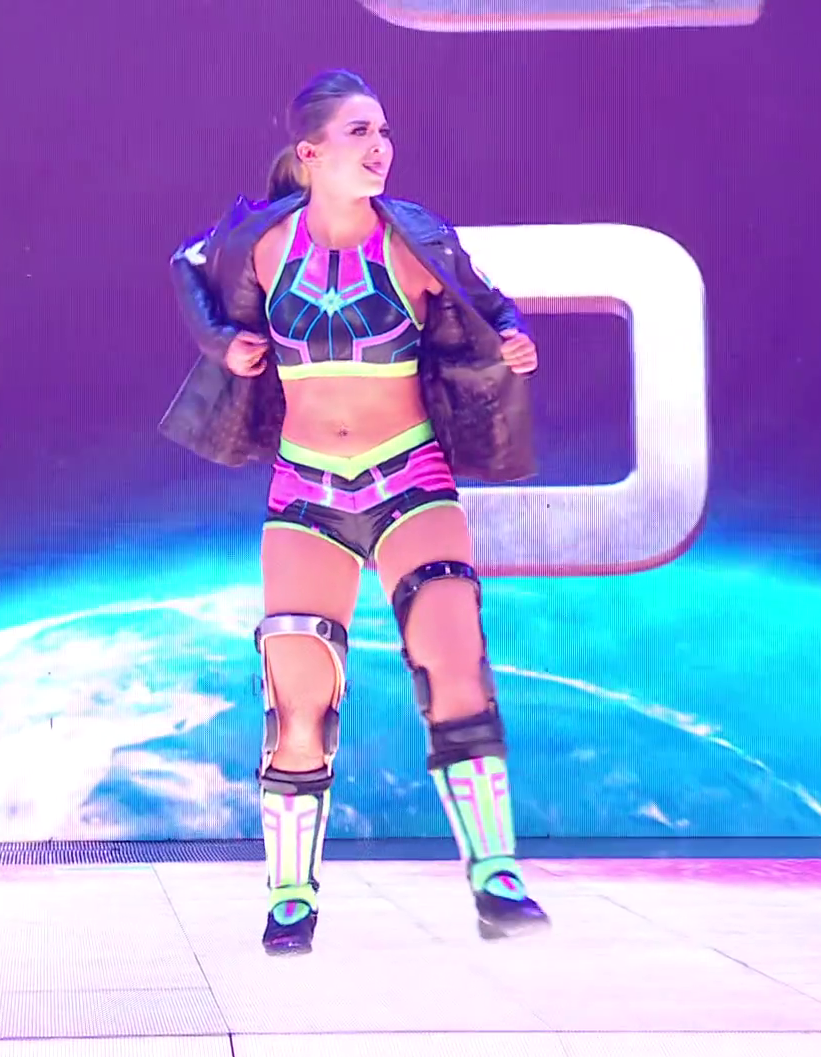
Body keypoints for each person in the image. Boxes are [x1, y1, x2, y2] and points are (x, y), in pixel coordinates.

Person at [159, 69, 553, 953]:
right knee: (298, 698)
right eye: (359, 132)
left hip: (409, 477)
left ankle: (497, 879)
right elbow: (185, 264)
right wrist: (221, 341)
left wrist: (516, 338)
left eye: (384, 131)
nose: (379, 147)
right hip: (307, 490)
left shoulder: (415, 241)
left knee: (455, 661)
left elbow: (494, 307)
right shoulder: (264, 244)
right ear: (310, 153)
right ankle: (290, 897)